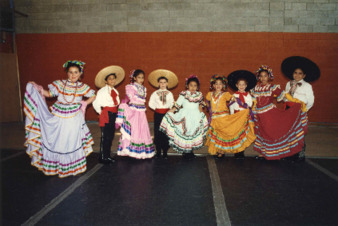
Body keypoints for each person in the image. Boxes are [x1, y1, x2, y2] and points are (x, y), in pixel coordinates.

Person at [24, 60, 95, 178]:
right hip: (59, 116)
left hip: (74, 118)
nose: (73, 75)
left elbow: (93, 95)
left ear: (80, 73)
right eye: (70, 72)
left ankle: (71, 166)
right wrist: (37, 88)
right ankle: (57, 166)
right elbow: (49, 94)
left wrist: (84, 103)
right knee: (59, 140)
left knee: (72, 140)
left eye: (76, 72)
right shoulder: (60, 84)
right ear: (67, 73)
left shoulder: (82, 87)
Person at [251, 65, 307, 160]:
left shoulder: (272, 87)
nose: (263, 78)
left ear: (269, 77)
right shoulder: (255, 89)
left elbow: (284, 95)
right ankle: (265, 153)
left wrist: (296, 102)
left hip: (270, 115)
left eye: (265, 76)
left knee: (271, 133)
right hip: (260, 115)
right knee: (263, 133)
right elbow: (253, 101)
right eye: (261, 76)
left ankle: (275, 153)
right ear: (258, 77)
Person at [205, 74, 256, 159]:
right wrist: (209, 108)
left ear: (223, 85)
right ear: (213, 85)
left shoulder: (225, 94)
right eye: (216, 84)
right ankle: (220, 151)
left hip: (226, 117)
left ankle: (239, 151)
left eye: (220, 84)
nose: (218, 85)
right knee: (218, 135)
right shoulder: (210, 94)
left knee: (229, 134)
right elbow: (207, 101)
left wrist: (243, 105)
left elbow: (233, 99)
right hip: (215, 119)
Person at [160, 75, 208, 159]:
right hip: (185, 115)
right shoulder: (184, 94)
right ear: (187, 86)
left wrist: (202, 115)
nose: (193, 87)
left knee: (192, 133)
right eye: (191, 85)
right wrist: (171, 111)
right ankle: (185, 152)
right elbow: (178, 104)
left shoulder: (199, 95)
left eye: (195, 86)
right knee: (185, 132)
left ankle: (190, 151)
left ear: (197, 87)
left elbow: (200, 106)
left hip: (195, 116)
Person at [282, 56, 320, 161]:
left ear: (304, 75)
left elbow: (311, 101)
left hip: (300, 112)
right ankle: (290, 153)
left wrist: (303, 110)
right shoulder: (288, 84)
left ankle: (300, 153)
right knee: (289, 132)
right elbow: (286, 97)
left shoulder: (307, 86)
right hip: (289, 111)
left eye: (300, 73)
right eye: (295, 73)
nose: (297, 75)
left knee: (299, 132)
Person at [116, 69, 155, 159]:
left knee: (142, 130)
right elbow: (129, 98)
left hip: (141, 112)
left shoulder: (143, 88)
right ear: (134, 78)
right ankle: (129, 150)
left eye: (142, 78)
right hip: (134, 111)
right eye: (139, 77)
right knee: (134, 130)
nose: (141, 79)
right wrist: (123, 104)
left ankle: (141, 152)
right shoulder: (130, 87)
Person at [93, 65, 125, 164]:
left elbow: (116, 103)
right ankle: (103, 157)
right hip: (106, 114)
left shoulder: (115, 91)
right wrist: (100, 113)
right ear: (106, 81)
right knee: (105, 136)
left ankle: (107, 155)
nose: (112, 80)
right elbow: (96, 103)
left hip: (113, 114)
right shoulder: (102, 91)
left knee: (110, 135)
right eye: (110, 79)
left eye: (113, 79)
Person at [227, 70, 257, 159]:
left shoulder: (248, 95)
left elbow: (249, 105)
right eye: (239, 84)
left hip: (244, 116)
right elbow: (231, 106)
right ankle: (237, 151)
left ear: (246, 86)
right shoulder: (234, 95)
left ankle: (242, 151)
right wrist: (232, 115)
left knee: (243, 134)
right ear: (236, 85)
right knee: (236, 134)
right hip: (236, 116)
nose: (241, 86)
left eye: (243, 84)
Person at [148, 69, 177, 159]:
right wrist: (157, 109)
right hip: (158, 115)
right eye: (161, 82)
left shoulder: (170, 94)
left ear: (167, 84)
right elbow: (150, 103)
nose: (163, 84)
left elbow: (172, 103)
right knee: (158, 132)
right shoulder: (155, 93)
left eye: (164, 82)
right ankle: (158, 151)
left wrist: (171, 108)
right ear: (158, 84)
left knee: (165, 133)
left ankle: (165, 152)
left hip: (166, 115)